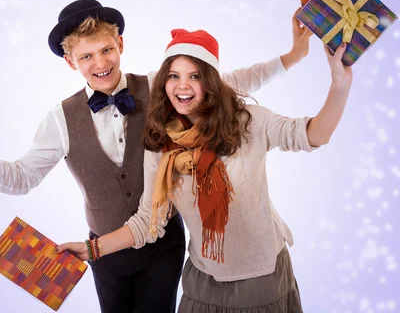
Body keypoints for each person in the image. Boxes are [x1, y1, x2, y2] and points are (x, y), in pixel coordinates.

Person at [0, 0, 312, 312]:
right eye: (86, 56)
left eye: (106, 49)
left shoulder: (160, 85)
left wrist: (292, 57)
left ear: (120, 44)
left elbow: (227, 82)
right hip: (106, 250)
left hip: (163, 241)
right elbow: (21, 177)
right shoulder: (60, 120)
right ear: (69, 62)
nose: (100, 62)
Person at [57, 28, 351, 312]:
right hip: (203, 279)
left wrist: (339, 85)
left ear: (211, 82)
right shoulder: (161, 142)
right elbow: (148, 220)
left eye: (194, 76)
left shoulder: (248, 122)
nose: (182, 85)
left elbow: (314, 135)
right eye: (174, 76)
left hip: (261, 275)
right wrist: (92, 249)